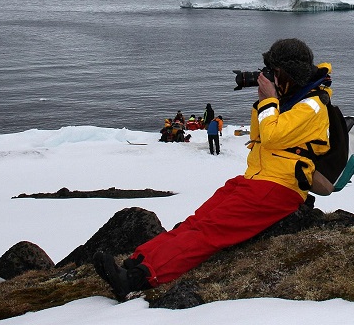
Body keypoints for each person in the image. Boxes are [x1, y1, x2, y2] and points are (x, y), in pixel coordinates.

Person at [94, 38, 334, 300]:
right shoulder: (292, 99)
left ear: (290, 72)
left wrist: (269, 100)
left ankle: (136, 279)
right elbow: (259, 136)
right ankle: (139, 260)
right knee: (198, 221)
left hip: (280, 187)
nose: (268, 77)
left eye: (274, 72)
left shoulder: (312, 105)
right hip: (257, 179)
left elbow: (273, 136)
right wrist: (266, 101)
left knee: (210, 232)